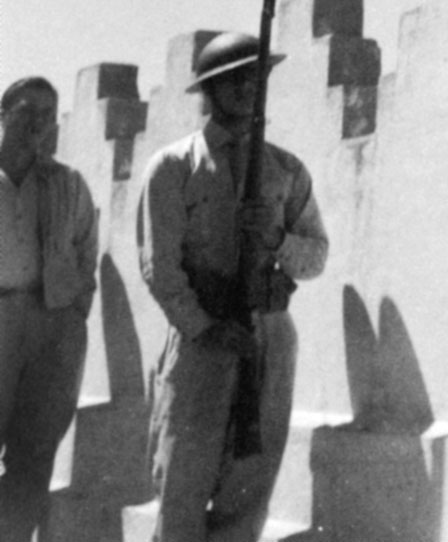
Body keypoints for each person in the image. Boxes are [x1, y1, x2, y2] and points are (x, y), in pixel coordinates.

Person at [137, 32, 328, 542]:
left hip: (268, 337)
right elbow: (161, 268)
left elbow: (315, 256)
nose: (248, 88)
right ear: (210, 89)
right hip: (204, 339)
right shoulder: (176, 167)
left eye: (256, 77)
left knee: (249, 491)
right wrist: (206, 328)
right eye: (234, 79)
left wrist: (277, 238)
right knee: (182, 484)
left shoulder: (285, 169)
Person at [0, 76, 97, 542]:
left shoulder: (67, 183)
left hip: (50, 327)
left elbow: (85, 251)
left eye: (48, 114)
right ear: (2, 114)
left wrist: (74, 313)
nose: (38, 123)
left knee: (34, 458)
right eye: (27, 111)